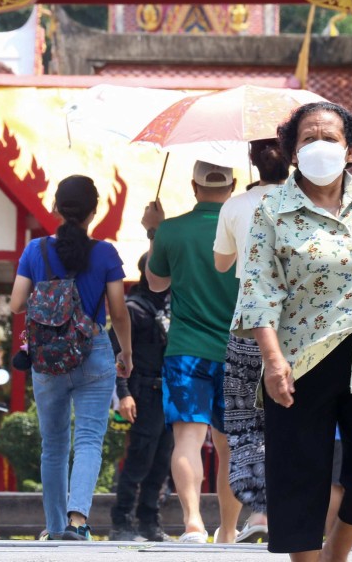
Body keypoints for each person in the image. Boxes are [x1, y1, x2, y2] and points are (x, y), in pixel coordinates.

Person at [231, 102, 352, 562]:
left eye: (329, 138)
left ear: (350, 150)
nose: (319, 147)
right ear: (292, 152)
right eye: (307, 139)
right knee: (300, 475)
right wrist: (273, 362)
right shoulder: (272, 209)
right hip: (299, 360)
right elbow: (258, 290)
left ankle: (337, 552)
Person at [9, 175, 132, 541]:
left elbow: (16, 303)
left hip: (47, 356)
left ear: (56, 208)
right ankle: (78, 523)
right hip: (93, 351)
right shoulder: (105, 253)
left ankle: (54, 526)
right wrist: (126, 350)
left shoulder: (35, 251)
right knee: (90, 439)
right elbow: (119, 311)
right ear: (95, 211)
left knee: (54, 444)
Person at [142, 160, 241, 544]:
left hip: (186, 349)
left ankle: (193, 523)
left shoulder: (171, 230)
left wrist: (153, 230)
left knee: (187, 437)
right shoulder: (244, 227)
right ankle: (229, 531)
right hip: (239, 348)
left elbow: (154, 283)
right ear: (232, 185)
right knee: (231, 444)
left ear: (194, 186)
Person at [213, 138, 289, 543]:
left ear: (251, 161)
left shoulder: (235, 206)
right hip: (298, 327)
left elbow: (222, 262)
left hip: (249, 324)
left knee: (246, 421)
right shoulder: (307, 200)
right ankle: (290, 510)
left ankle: (259, 511)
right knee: (296, 416)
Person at [109, 254, 174, 543]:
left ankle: (149, 520)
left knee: (162, 461)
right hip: (143, 392)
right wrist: (123, 394)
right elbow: (118, 355)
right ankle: (122, 521)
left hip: (170, 394)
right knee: (139, 460)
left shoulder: (175, 306)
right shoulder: (134, 309)